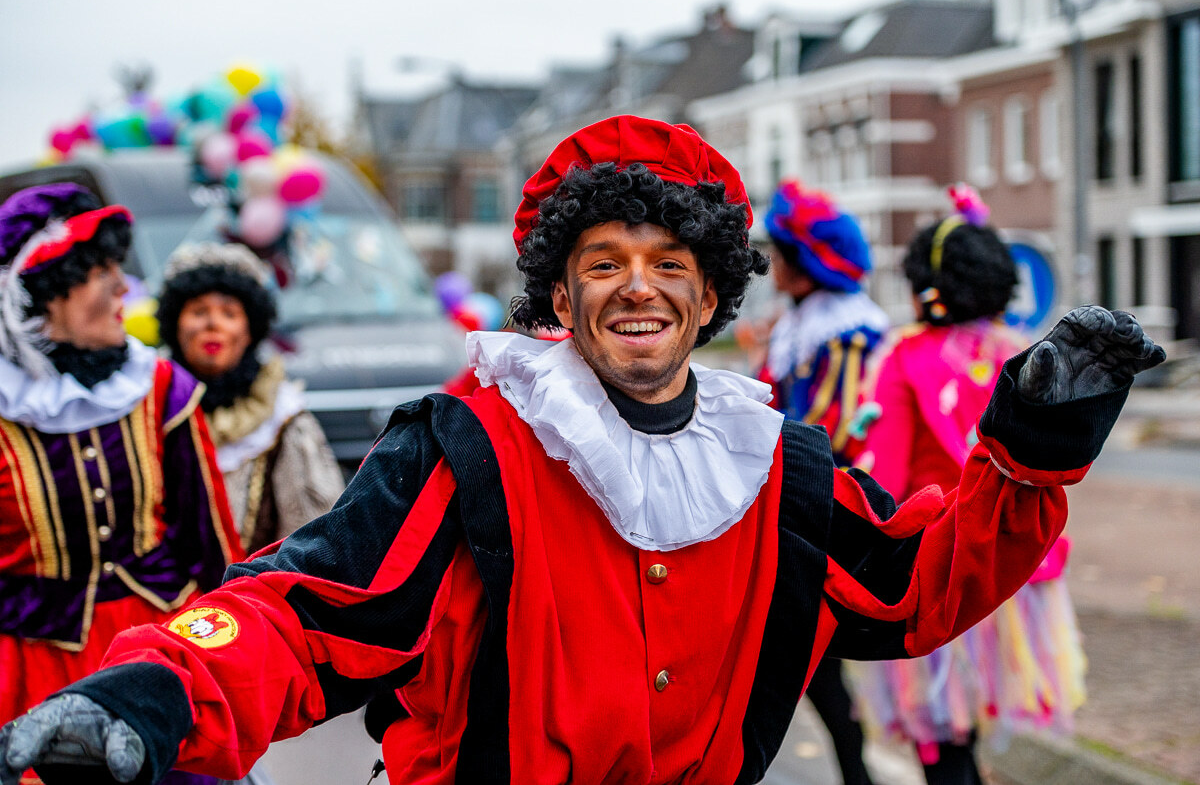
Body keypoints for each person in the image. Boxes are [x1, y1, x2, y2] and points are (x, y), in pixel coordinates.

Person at [0, 116, 1163, 785]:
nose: (637, 287)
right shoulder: (469, 442)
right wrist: (159, 688)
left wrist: (1031, 444)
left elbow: (917, 586)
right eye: (604, 262)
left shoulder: (777, 465)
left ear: (710, 297)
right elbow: (306, 609)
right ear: (560, 295)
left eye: (670, 264)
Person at [0, 184, 244, 784]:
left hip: (156, 652)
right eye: (99, 273)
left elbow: (211, 545)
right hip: (31, 665)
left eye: (118, 269)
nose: (121, 288)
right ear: (45, 293)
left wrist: (230, 662)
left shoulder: (159, 387)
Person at [848, 186, 1087, 785]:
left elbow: (884, 482)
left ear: (928, 286)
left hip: (942, 568)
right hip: (1015, 570)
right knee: (968, 731)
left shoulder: (902, 357)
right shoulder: (1022, 356)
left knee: (944, 740)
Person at [759, 181, 890, 785]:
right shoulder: (800, 324)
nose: (771, 263)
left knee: (811, 659)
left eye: (780, 254)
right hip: (785, 500)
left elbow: (826, 433)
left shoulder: (845, 333)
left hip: (815, 508)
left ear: (806, 264)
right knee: (807, 666)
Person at [154, 242, 343, 554]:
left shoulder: (284, 417)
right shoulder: (147, 406)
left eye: (229, 313)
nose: (212, 324)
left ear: (249, 329)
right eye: (198, 312)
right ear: (175, 324)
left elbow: (312, 538)